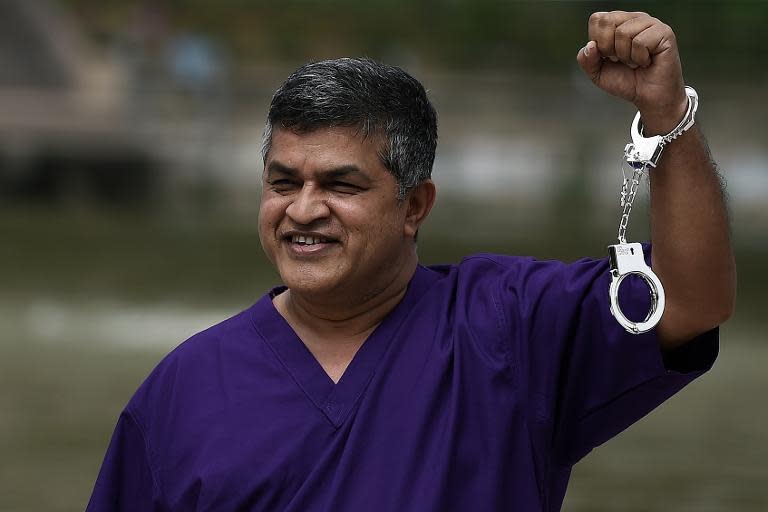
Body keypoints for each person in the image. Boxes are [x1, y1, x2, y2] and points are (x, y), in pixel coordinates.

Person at [87, 11, 735, 512]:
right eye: (283, 183)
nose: (303, 210)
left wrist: (666, 113)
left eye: (340, 186)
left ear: (414, 205)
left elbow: (692, 299)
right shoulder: (184, 389)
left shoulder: (510, 329)